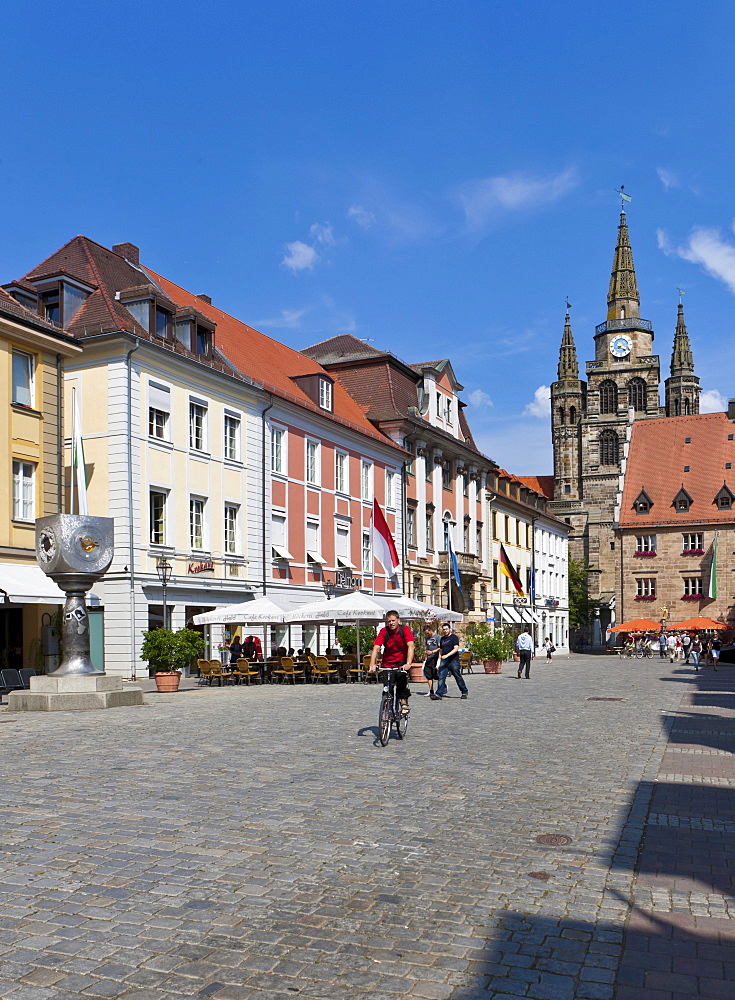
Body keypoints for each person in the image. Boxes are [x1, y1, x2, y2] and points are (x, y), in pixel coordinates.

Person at [369, 612, 414, 714]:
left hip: (401, 661)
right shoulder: (384, 631)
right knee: (387, 687)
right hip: (388, 662)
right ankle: (386, 708)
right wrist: (372, 663)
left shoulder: (404, 630)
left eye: (393, 620)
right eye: (389, 621)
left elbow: (410, 645)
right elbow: (376, 647)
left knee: (401, 680)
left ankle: (403, 702)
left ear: (398, 620)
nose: (391, 623)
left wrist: (408, 663)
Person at [435, 622, 469, 700]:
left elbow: (456, 648)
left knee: (457, 677)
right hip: (444, 661)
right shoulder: (442, 639)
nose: (445, 631)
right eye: (444, 629)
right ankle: (439, 694)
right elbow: (441, 650)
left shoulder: (454, 637)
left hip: (453, 661)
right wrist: (439, 661)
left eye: (446, 629)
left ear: (450, 629)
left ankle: (464, 691)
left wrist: (447, 655)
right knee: (441, 677)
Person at [422, 624, 441, 700]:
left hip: (435, 658)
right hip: (429, 659)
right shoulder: (427, 638)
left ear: (430, 630)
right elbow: (427, 647)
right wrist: (425, 656)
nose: (427, 634)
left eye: (427, 633)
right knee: (428, 675)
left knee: (436, 675)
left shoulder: (437, 637)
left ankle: (443, 686)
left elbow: (440, 647)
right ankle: (431, 691)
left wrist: (433, 652)